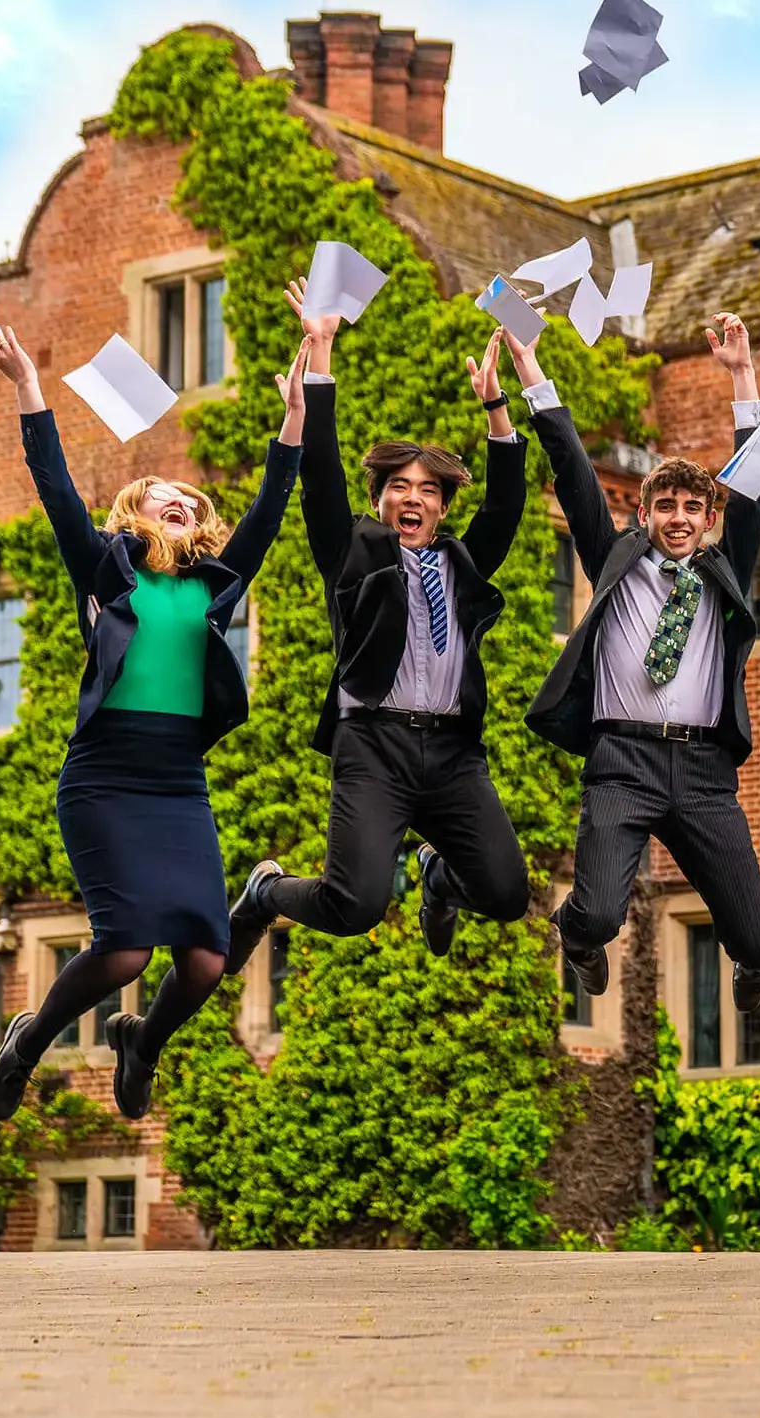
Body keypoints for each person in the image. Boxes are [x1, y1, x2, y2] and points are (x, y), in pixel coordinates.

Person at [0, 322, 305, 1123]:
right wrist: (28, 387)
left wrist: (296, 415)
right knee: (123, 949)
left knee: (205, 959)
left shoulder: (216, 588)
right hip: (104, 778)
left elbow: (267, 511)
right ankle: (26, 1042)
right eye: (169, 495)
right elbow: (55, 487)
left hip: (176, 783)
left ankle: (142, 1046)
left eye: (194, 503)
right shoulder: (104, 567)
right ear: (135, 511)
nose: (186, 503)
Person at [224, 280, 534, 969]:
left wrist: (495, 406)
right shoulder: (352, 553)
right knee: (355, 906)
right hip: (373, 747)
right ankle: (267, 892)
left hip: (453, 752)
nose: (414, 498)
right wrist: (323, 350)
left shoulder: (462, 561)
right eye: (400, 487)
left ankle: (438, 877)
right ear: (379, 500)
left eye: (428, 489)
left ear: (443, 508)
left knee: (508, 893)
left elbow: (507, 505)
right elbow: (322, 475)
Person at [520, 309, 760, 1012]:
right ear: (644, 515)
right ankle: (576, 939)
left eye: (691, 508)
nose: (676, 518)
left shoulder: (725, 571)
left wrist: (741, 375)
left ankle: (757, 953)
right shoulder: (615, 561)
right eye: (663, 505)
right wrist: (530, 366)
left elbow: (755, 486)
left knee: (759, 940)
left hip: (703, 771)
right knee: (602, 912)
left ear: (707, 519)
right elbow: (574, 471)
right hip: (622, 764)